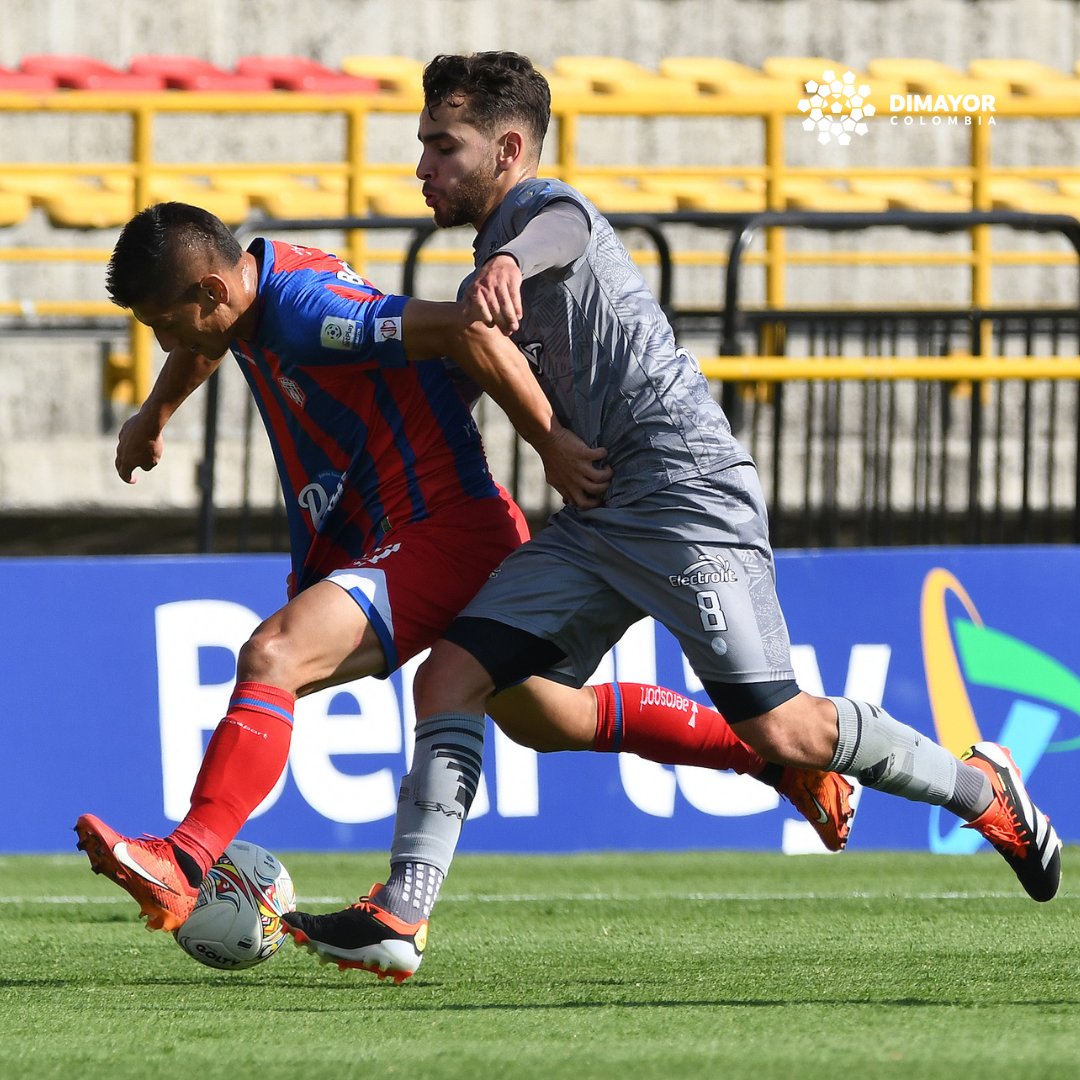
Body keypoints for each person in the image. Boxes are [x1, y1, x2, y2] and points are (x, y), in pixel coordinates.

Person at [283, 50, 1062, 981]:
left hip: (686, 496)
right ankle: (401, 915)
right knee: (455, 678)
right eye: (422, 146)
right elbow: (453, 368)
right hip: (600, 512)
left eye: (442, 146)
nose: (422, 167)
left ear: (509, 149)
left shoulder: (539, 216)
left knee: (786, 726)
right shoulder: (483, 280)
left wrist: (504, 261)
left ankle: (986, 793)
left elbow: (563, 229)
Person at [74, 201, 854, 942]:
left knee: (274, 655)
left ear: (211, 289)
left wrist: (547, 440)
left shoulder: (308, 309)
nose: (163, 337)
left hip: (438, 528)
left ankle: (186, 858)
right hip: (404, 527)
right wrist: (153, 416)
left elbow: (465, 330)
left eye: (162, 321)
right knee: (548, 717)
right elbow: (205, 342)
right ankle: (773, 762)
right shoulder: (246, 294)